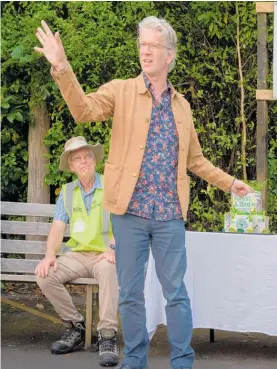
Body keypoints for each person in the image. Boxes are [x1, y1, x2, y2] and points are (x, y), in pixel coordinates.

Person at [35, 16, 253, 369]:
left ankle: (182, 361)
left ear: (170, 55)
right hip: (129, 214)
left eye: (153, 46)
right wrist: (61, 66)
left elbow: (195, 161)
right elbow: (83, 110)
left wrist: (230, 183)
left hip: (169, 215)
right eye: (142, 45)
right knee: (130, 296)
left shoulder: (182, 107)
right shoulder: (121, 91)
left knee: (176, 295)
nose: (145, 51)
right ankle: (135, 361)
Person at [35, 136, 119, 367]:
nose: (84, 162)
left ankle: (107, 335)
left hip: (104, 254)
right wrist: (50, 255)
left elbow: (123, 222)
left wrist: (112, 248)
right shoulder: (67, 192)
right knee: (45, 274)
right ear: (71, 166)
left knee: (109, 269)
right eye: (77, 159)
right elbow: (58, 227)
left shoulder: (111, 185)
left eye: (87, 156)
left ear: (95, 160)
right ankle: (76, 326)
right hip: (77, 255)